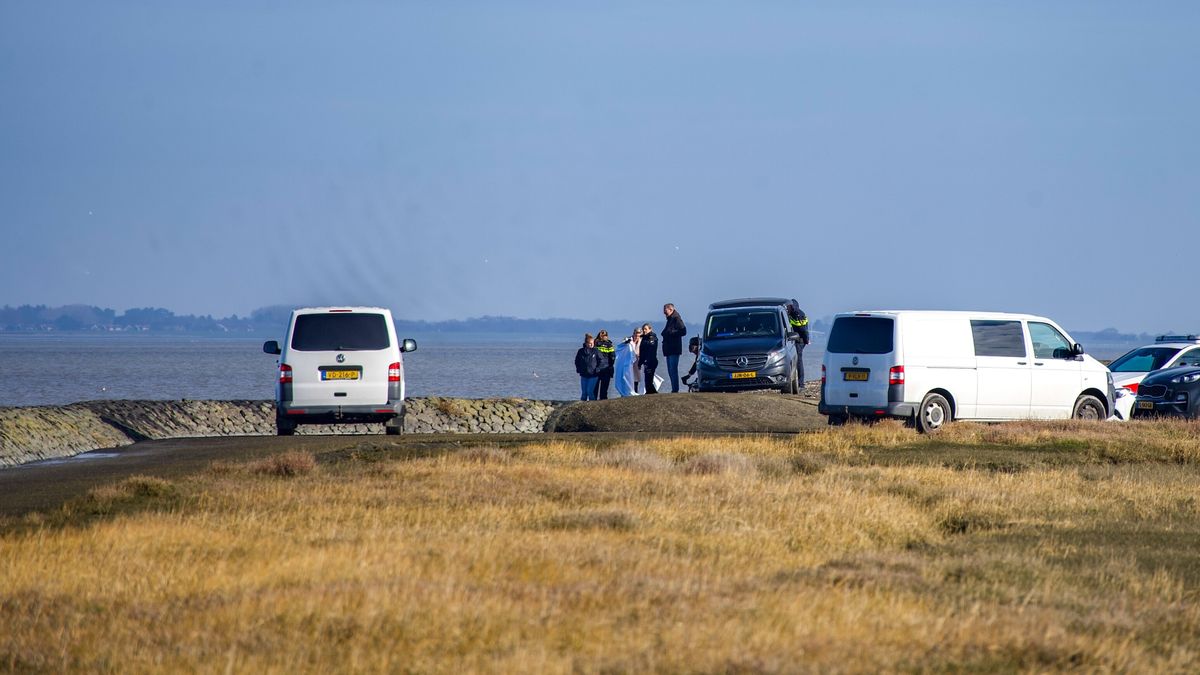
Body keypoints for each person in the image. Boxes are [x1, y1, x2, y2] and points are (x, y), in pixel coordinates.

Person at [661, 303, 687, 393]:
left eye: (665, 310)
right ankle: (674, 388)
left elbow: (683, 331)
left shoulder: (676, 318)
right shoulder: (670, 319)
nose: (664, 312)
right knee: (670, 370)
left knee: (673, 369)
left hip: (674, 349)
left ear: (671, 309)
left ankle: (675, 389)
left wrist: (671, 332)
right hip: (669, 349)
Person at [787, 299, 811, 388]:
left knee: (798, 361)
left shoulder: (798, 314)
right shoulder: (791, 314)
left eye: (789, 307)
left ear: (792, 306)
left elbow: (803, 330)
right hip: (795, 340)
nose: (787, 308)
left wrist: (806, 340)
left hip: (799, 341)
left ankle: (801, 383)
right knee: (794, 360)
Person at [574, 333, 604, 401]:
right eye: (590, 343)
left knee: (590, 392)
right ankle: (581, 405)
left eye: (592, 343)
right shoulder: (581, 351)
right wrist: (578, 369)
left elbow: (602, 361)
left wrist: (598, 369)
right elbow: (577, 361)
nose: (591, 344)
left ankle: (592, 405)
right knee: (584, 393)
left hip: (593, 375)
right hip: (584, 375)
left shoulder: (596, 351)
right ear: (586, 343)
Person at [613, 328, 641, 397]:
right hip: (628, 362)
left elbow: (640, 351)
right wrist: (626, 342)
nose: (636, 337)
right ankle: (626, 392)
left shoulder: (641, 341)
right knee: (627, 376)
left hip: (637, 362)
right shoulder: (628, 340)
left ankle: (635, 391)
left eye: (638, 335)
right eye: (635, 335)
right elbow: (620, 347)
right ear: (633, 333)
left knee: (636, 377)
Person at [594, 329, 616, 399]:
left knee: (595, 388)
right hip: (605, 368)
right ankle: (602, 399)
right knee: (604, 387)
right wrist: (611, 365)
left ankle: (594, 400)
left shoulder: (595, 343)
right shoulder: (609, 344)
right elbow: (613, 356)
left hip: (597, 368)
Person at [638, 322, 660, 394]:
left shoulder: (652, 337)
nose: (644, 330)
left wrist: (647, 360)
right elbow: (642, 352)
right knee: (647, 379)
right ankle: (650, 392)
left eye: (645, 329)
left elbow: (651, 347)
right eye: (643, 329)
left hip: (651, 361)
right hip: (646, 361)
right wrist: (640, 363)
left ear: (650, 329)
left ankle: (650, 392)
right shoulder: (644, 338)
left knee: (649, 378)